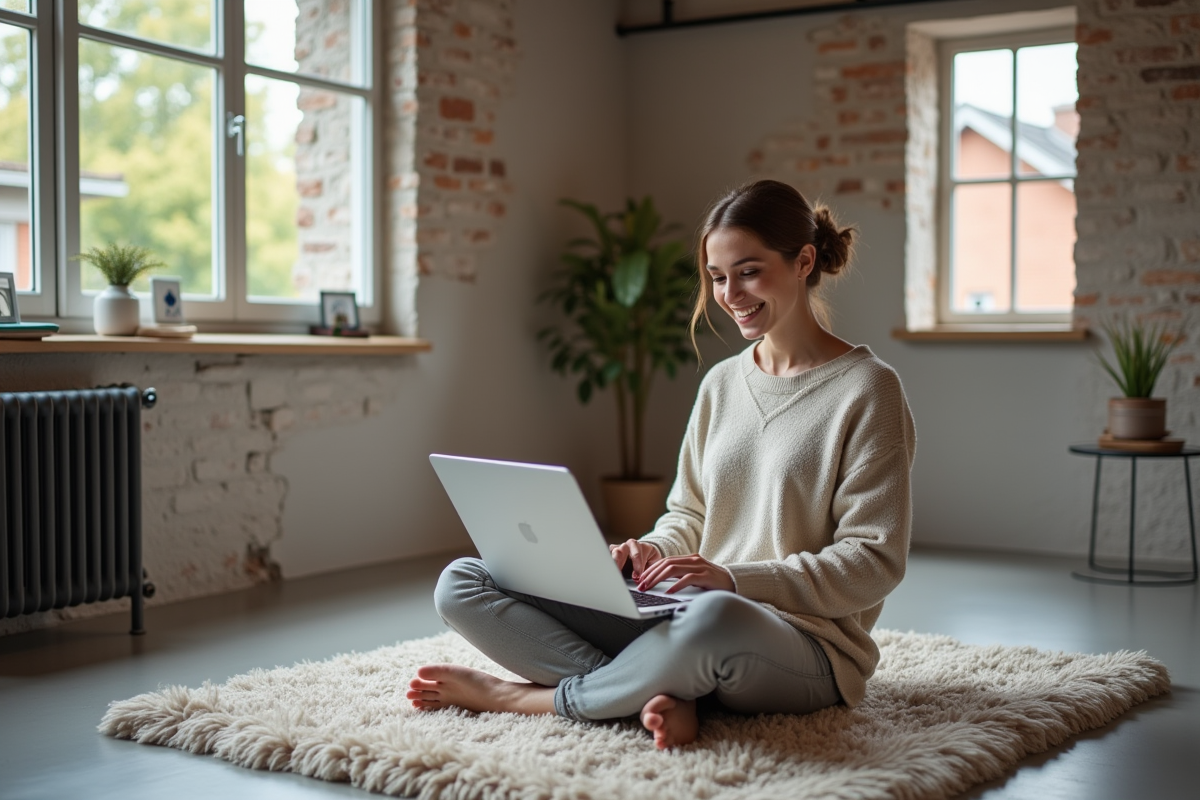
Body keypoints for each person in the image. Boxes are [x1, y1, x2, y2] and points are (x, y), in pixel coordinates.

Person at [407, 179, 916, 749]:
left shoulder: (869, 390)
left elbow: (874, 560)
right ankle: (661, 689)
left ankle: (534, 699)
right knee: (463, 582)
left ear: (803, 261)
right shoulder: (722, 383)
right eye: (718, 277)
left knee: (713, 620)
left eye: (748, 271)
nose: (730, 294)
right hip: (685, 614)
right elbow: (689, 514)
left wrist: (733, 579)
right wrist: (651, 550)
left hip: (796, 642)